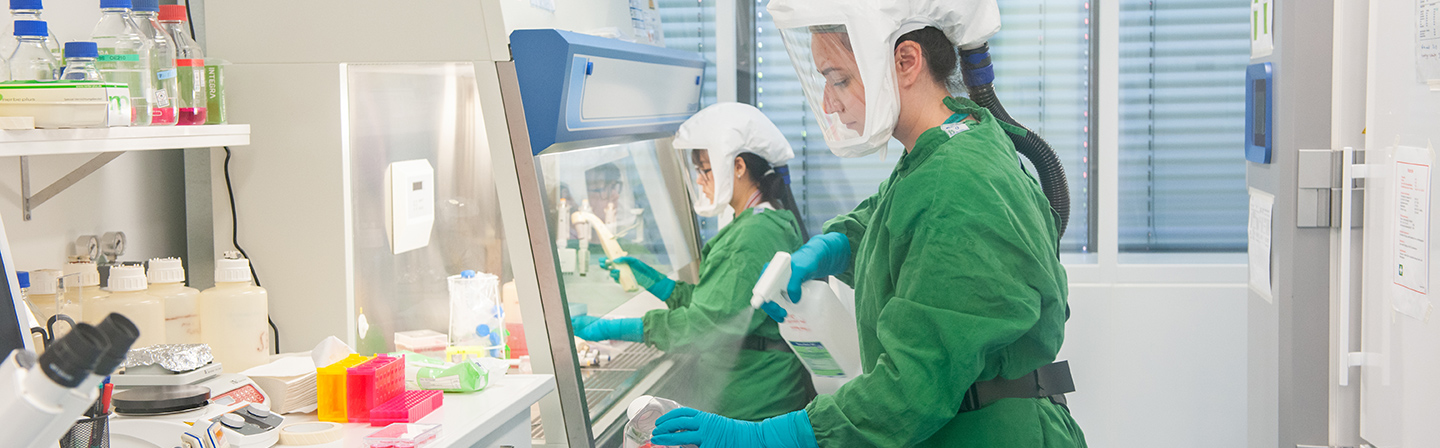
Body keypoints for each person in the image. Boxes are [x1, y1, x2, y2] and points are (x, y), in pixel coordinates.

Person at [648, 0, 1087, 447]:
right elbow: (891, 224)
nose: (828, 102)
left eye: (839, 79)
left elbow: (913, 383)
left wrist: (777, 435)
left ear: (906, 61)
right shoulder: (948, 145)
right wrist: (833, 247)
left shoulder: (959, 180)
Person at [571, 102, 817, 421]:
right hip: (755, 395)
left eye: (705, 169)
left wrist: (615, 328)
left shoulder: (753, 236)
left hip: (754, 403)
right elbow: (721, 303)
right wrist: (658, 284)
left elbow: (702, 326)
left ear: (738, 166)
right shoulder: (764, 218)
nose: (700, 181)